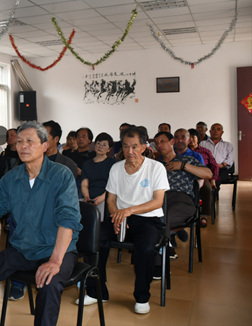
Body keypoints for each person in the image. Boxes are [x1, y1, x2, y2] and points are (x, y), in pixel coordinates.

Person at [0, 122, 82, 326]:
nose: (23, 146)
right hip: (22, 249)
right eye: (20, 141)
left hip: (56, 250)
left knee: (49, 283)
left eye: (30, 141)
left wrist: (55, 261)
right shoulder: (11, 178)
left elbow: (68, 220)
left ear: (44, 145)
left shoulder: (61, 175)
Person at [83, 127, 169, 315]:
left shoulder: (155, 168)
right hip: (119, 217)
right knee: (94, 240)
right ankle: (97, 291)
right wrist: (116, 217)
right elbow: (111, 200)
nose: (130, 151)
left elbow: (158, 201)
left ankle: (142, 297)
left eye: (134, 147)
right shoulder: (116, 168)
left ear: (144, 147)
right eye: (125, 146)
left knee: (146, 250)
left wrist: (129, 211)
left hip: (148, 220)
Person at [155, 131, 212, 258]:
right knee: (153, 219)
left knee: (161, 220)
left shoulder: (187, 160)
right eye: (157, 143)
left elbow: (208, 174)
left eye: (162, 142)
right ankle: (168, 243)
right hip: (159, 200)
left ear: (172, 142)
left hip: (181, 199)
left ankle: (161, 257)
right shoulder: (156, 165)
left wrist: (182, 166)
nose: (159, 145)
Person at [81, 132, 117, 221]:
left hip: (107, 197)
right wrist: (86, 197)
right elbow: (84, 184)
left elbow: (114, 185)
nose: (100, 146)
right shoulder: (87, 164)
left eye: (104, 145)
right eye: (98, 143)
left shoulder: (113, 164)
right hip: (90, 197)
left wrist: (102, 198)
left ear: (109, 149)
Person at [188, 128, 219, 227]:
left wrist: (213, 180)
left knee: (207, 189)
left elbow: (215, 166)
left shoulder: (205, 151)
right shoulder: (183, 151)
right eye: (189, 137)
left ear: (198, 138)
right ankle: (188, 214)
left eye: (193, 137)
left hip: (202, 177)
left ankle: (204, 215)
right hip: (187, 177)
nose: (191, 139)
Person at [64, 127, 96, 198]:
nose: (80, 139)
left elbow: (95, 174)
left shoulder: (93, 155)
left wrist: (82, 173)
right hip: (68, 180)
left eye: (84, 137)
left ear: (89, 140)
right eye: (78, 136)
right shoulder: (69, 155)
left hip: (83, 182)